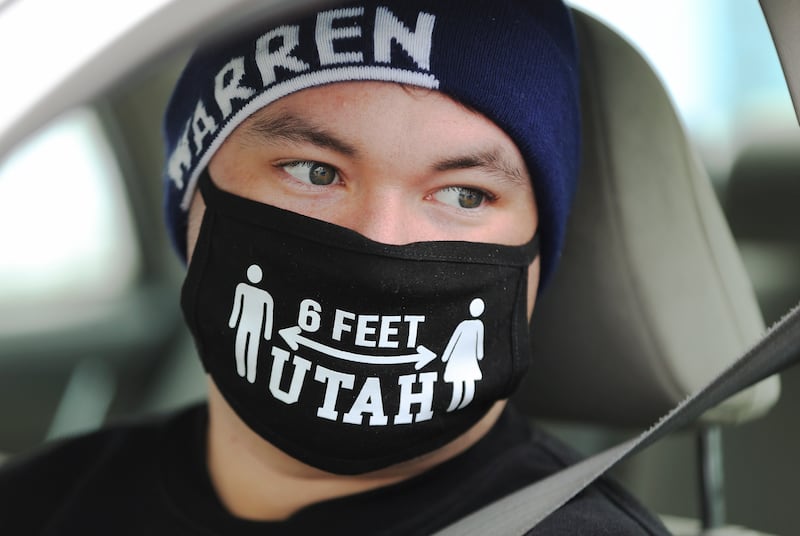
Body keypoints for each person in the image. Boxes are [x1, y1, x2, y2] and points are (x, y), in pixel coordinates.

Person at [0, 1, 671, 534]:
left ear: (537, 246)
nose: (381, 249)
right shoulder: (42, 504)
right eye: (313, 172)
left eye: (465, 195)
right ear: (191, 200)